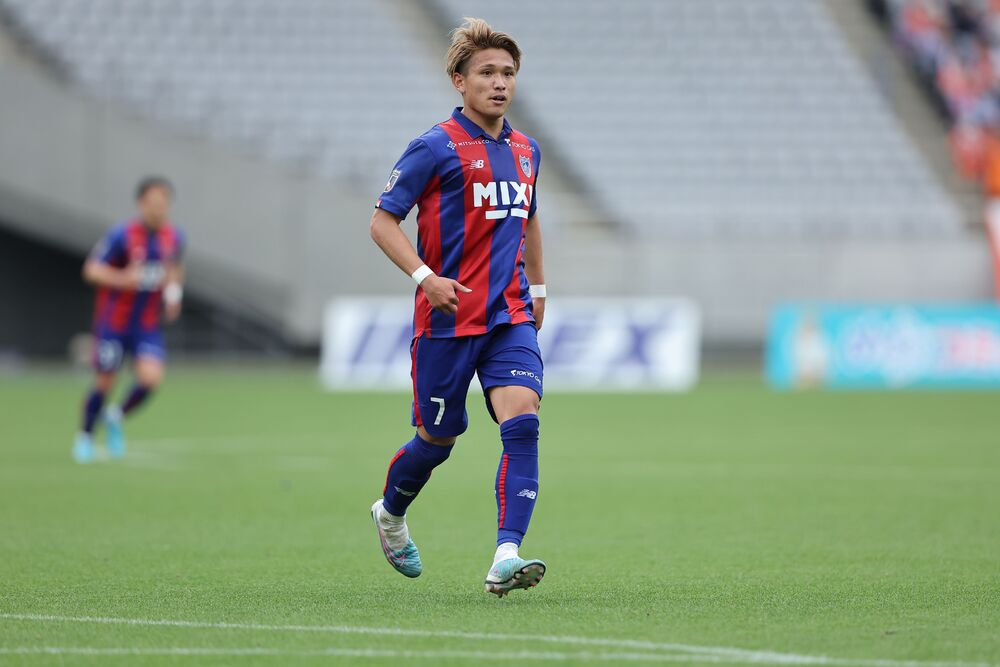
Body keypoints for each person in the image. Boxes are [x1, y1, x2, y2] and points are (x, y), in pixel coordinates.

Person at [369, 18, 548, 597]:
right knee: (436, 441)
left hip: (508, 315)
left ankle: (506, 555)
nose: (500, 83)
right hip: (447, 321)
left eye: (508, 73)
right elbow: (382, 222)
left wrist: (538, 290)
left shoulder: (526, 150)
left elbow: (529, 218)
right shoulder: (434, 147)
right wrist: (425, 278)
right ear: (459, 81)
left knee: (523, 421)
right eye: (487, 73)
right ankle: (390, 513)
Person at [73, 176, 186, 463]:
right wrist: (122, 278)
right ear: (141, 203)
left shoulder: (174, 237)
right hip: (114, 322)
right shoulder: (121, 236)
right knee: (105, 382)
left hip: (146, 324)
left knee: (151, 377)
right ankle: (85, 436)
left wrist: (173, 295)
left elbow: (174, 268)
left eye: (163, 203)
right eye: (153, 203)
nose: (158, 209)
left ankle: (116, 416)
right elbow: (91, 270)